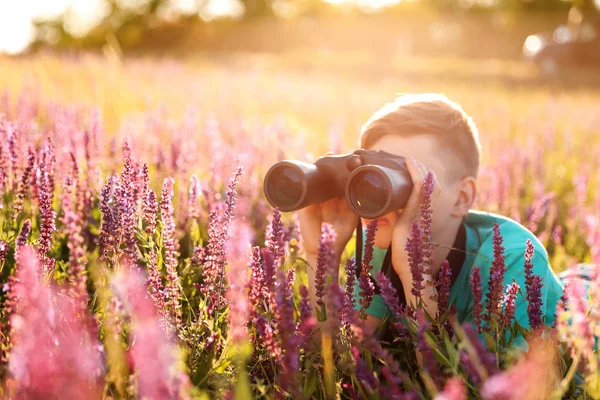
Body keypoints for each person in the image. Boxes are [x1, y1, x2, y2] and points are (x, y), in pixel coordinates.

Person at [297, 93, 565, 340]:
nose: (379, 199)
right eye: (372, 177)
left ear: (461, 198)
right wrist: (321, 257)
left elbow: (476, 386)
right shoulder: (376, 248)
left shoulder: (513, 259)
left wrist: (415, 273)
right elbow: (345, 355)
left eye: (405, 180)